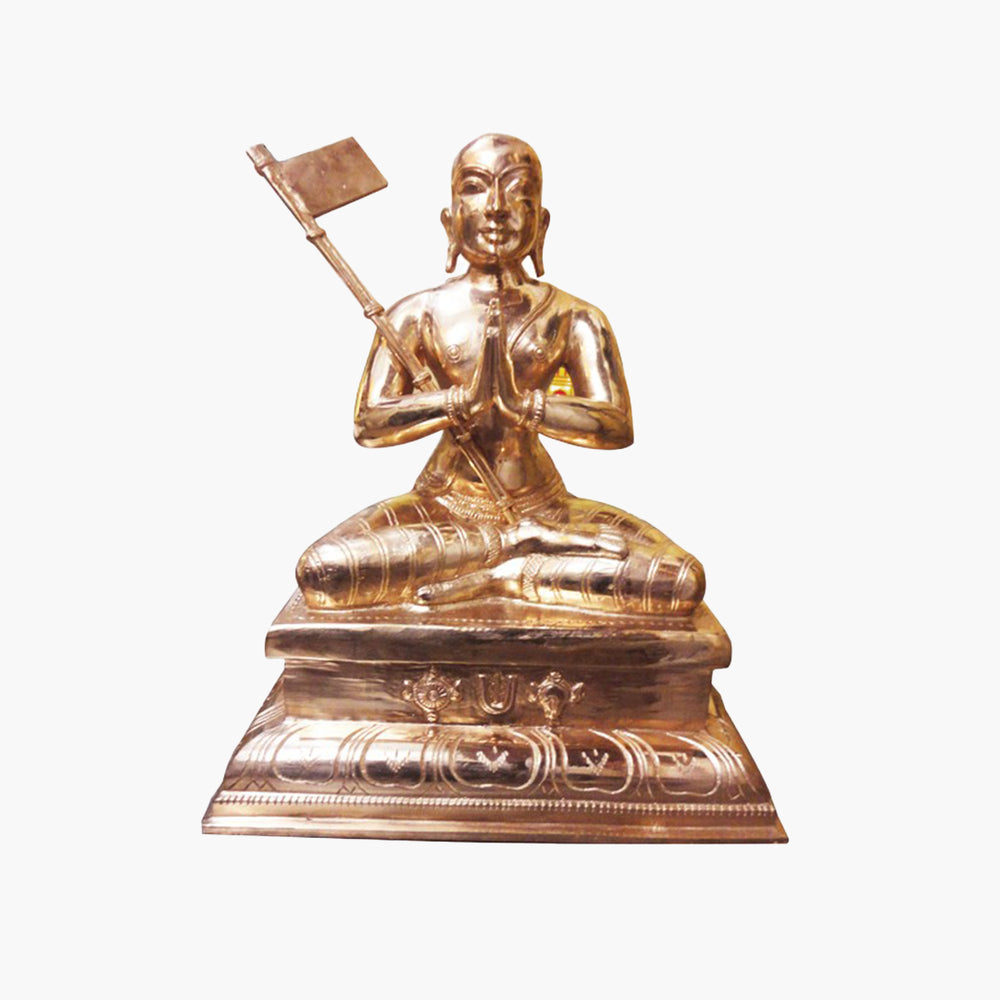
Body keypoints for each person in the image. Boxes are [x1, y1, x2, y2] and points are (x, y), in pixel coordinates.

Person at [296, 134, 705, 616]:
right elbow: (369, 422)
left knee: (680, 579)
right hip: (442, 506)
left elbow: (615, 425)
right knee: (324, 570)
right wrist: (457, 402)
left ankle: (504, 575)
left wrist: (522, 406)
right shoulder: (416, 313)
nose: (495, 208)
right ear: (450, 221)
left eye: (517, 190)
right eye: (475, 188)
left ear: (541, 223)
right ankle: (517, 549)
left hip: (546, 507)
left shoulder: (574, 317)